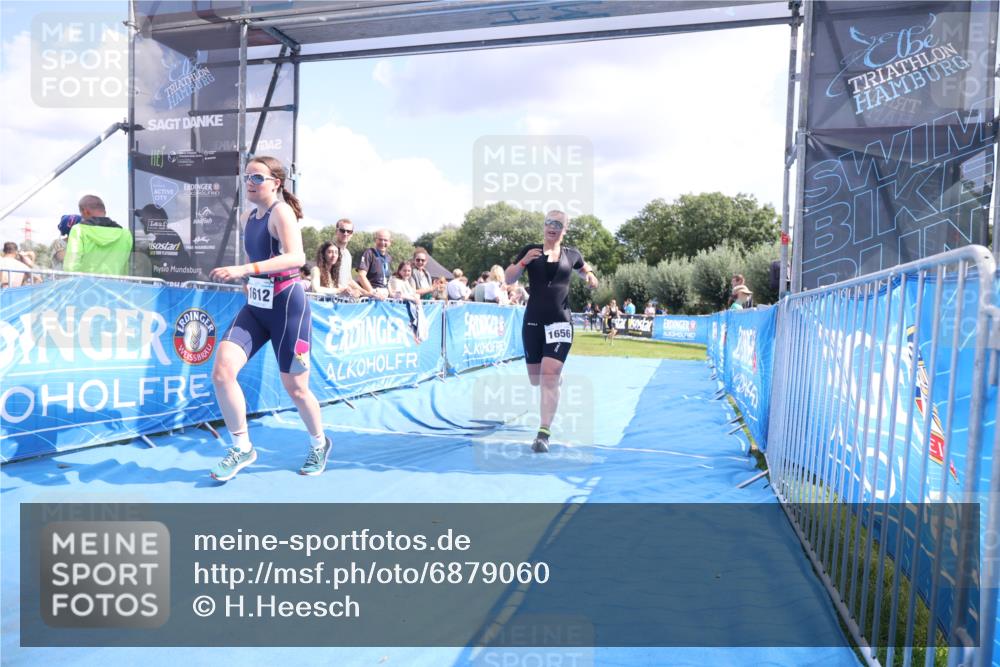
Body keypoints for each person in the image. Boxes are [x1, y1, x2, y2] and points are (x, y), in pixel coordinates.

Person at [208, 156, 331, 481]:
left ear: (276, 182)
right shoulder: (249, 216)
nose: (250, 181)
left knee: (296, 389)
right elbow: (258, 258)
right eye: (247, 176)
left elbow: (296, 257)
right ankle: (242, 447)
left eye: (258, 177)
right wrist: (250, 282)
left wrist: (244, 270)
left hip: (289, 306)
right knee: (222, 373)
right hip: (257, 307)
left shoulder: (281, 212)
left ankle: (319, 443)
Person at [505, 210, 598, 453]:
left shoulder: (572, 254)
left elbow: (584, 269)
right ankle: (555, 377)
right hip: (533, 321)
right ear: (544, 226)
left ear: (564, 229)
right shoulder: (530, 250)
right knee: (536, 380)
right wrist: (523, 261)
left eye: (558, 224)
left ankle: (543, 433)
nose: (552, 227)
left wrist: (590, 276)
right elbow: (508, 277)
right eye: (549, 222)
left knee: (548, 376)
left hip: (560, 322)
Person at [64, 195, 133, 275]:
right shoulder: (125, 234)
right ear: (104, 211)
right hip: (115, 286)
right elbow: (125, 268)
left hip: (86, 286)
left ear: (85, 211)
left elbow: (70, 267)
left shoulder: (79, 230)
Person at [389, 260, 426, 343]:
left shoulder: (407, 281)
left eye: (409, 271)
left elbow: (412, 293)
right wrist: (413, 299)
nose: (407, 273)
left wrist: (416, 297)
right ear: (399, 271)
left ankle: (416, 336)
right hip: (399, 309)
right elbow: (398, 295)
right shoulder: (395, 280)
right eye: (404, 270)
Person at [356, 229, 392, 299]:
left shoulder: (388, 257)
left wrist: (392, 293)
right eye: (380, 239)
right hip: (372, 296)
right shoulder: (369, 253)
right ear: (375, 240)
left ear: (390, 242)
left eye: (385, 240)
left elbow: (387, 280)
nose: (382, 242)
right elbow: (361, 276)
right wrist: (372, 293)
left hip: (384, 295)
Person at [334, 218, 354, 287]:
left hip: (343, 296)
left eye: (349, 231)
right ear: (336, 231)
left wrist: (366, 292)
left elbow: (349, 280)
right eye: (342, 230)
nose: (345, 234)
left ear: (352, 234)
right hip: (329, 296)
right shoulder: (329, 250)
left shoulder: (348, 254)